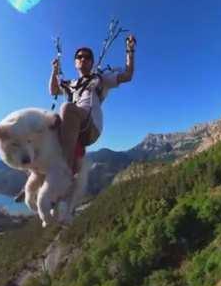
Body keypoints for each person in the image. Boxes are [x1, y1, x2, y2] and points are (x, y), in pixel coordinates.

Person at [14, 34, 136, 202]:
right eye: (79, 57)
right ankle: (35, 178)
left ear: (92, 62)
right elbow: (53, 90)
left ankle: (64, 174)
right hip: (72, 126)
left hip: (90, 126)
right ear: (75, 62)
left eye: (87, 57)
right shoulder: (71, 84)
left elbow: (127, 75)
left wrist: (130, 49)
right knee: (44, 125)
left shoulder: (100, 79)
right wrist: (54, 70)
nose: (83, 59)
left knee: (66, 108)